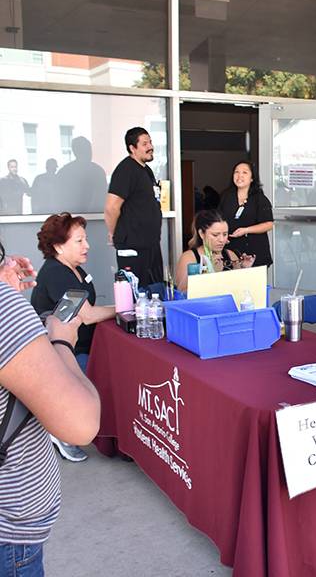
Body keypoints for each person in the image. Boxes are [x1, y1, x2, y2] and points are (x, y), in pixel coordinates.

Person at [0, 239, 100, 575]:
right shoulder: (6, 309)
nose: (86, 244)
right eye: (78, 238)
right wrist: (60, 341)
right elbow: (81, 424)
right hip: (9, 540)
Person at [30, 213, 115, 462]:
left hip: (82, 344)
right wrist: (124, 307)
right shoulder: (57, 273)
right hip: (63, 353)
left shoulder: (75, 269)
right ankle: (60, 430)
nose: (87, 245)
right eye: (79, 241)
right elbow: (86, 315)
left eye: (85, 239)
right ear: (58, 246)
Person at [104, 126, 164, 287]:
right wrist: (113, 232)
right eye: (144, 143)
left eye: (150, 142)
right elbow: (111, 207)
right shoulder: (126, 169)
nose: (150, 147)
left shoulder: (146, 171)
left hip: (151, 245)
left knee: (156, 293)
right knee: (136, 296)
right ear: (132, 148)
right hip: (133, 247)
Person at [175, 210, 254, 292]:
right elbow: (182, 293)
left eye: (225, 234)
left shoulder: (230, 255)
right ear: (202, 234)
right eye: (215, 235)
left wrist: (245, 269)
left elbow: (240, 288)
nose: (221, 240)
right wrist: (212, 273)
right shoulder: (189, 258)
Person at [218, 161, 274, 268]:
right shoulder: (226, 196)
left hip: (255, 249)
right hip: (231, 250)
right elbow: (218, 219)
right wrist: (222, 236)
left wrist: (246, 230)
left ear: (252, 178)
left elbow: (268, 224)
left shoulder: (259, 199)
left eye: (244, 172)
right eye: (236, 172)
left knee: (253, 283)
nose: (240, 176)